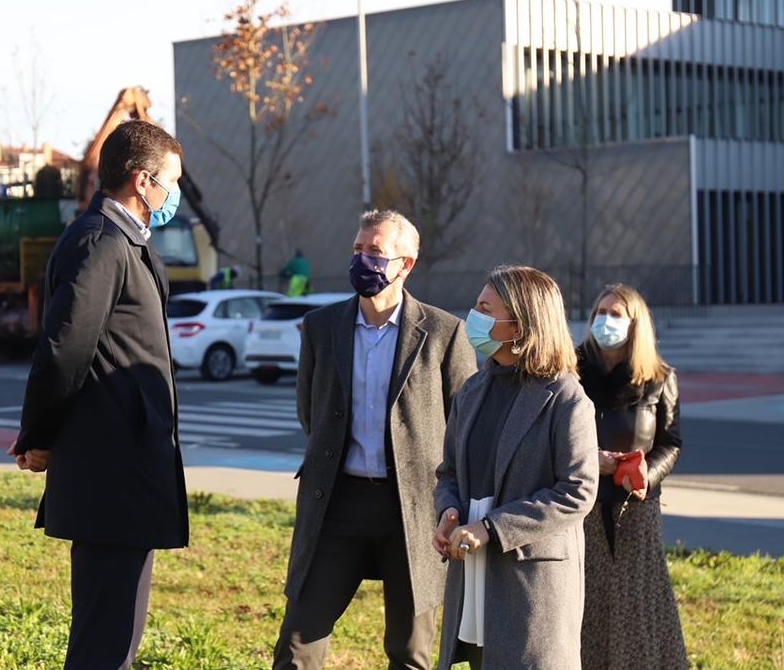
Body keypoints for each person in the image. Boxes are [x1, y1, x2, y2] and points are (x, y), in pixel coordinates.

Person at [8, 120, 189, 669]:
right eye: (171, 182)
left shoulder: (126, 243)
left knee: (118, 640)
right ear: (142, 180)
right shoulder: (100, 244)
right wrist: (37, 438)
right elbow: (64, 352)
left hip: (130, 470)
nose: (174, 195)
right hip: (112, 474)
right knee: (104, 644)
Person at [273, 210, 478, 670]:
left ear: (405, 264)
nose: (362, 260)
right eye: (357, 250)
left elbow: (463, 427)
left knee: (408, 651)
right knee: (297, 643)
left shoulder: (445, 333)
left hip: (413, 510)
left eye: (376, 252)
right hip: (336, 504)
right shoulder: (322, 327)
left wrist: (452, 503)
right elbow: (311, 412)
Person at [433, 265, 599, 670]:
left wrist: (491, 528)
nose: (473, 317)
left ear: (519, 324)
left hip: (529, 579)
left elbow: (577, 491)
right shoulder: (472, 390)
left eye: (484, 308)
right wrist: (448, 511)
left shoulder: (566, 399)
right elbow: (449, 472)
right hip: (472, 569)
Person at [576, 283, 687, 669]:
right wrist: (592, 461)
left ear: (635, 324)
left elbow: (670, 443)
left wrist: (647, 475)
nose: (606, 321)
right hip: (581, 505)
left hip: (635, 510)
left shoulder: (659, 377)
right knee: (588, 602)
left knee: (635, 604)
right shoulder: (570, 371)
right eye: (600, 312)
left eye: (616, 314)